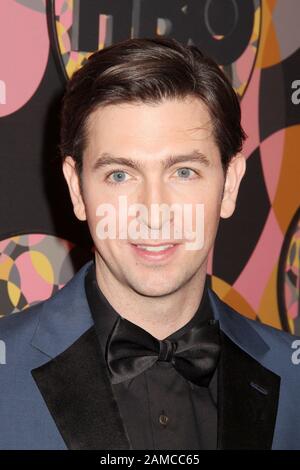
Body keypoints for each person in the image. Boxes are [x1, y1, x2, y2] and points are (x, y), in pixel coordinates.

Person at [0, 37, 299, 450]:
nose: (153, 212)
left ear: (229, 185)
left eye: (184, 172)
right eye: (120, 175)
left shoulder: (293, 376)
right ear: (76, 189)